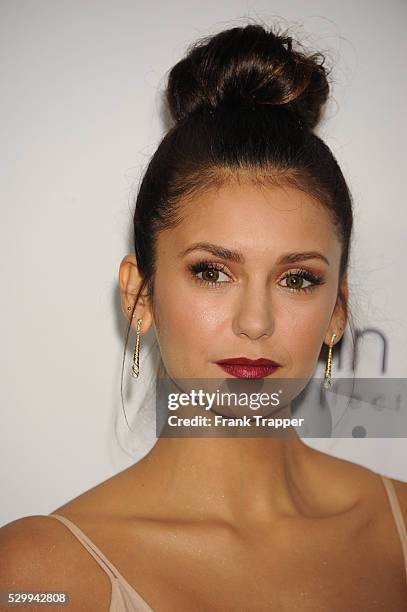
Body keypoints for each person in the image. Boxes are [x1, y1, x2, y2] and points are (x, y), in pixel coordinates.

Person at [1, 22, 406, 612]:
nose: (256, 321)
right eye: (212, 271)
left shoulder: (398, 530)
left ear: (336, 312)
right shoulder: (42, 574)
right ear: (139, 296)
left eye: (298, 279)